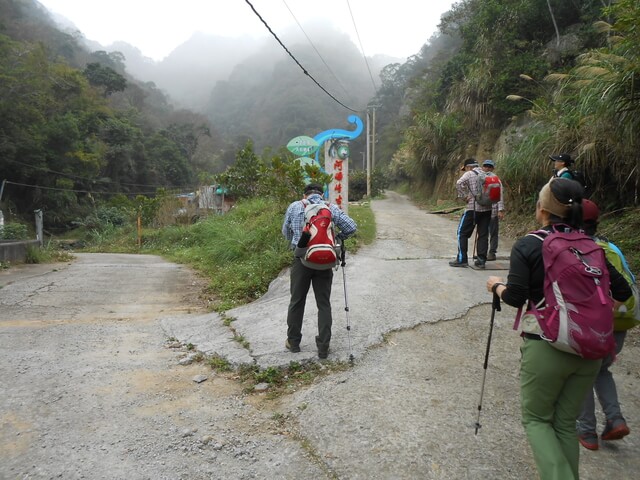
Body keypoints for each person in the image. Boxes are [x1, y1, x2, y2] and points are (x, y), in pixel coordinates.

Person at [486, 178, 631, 480]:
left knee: (537, 420)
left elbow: (515, 296)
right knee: (565, 424)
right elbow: (623, 291)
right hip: (590, 349)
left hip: (547, 344)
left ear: (542, 210)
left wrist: (496, 286)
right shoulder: (593, 246)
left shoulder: (529, 244)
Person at [576, 199, 632, 450]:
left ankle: (586, 431)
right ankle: (615, 418)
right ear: (597, 223)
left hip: (596, 324)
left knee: (582, 373)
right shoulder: (612, 248)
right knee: (602, 370)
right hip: (621, 321)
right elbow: (626, 285)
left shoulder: (580, 249)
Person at [282, 183, 357, 359]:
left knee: (297, 301)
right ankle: (323, 347)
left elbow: (286, 232)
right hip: (324, 261)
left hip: (301, 260)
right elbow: (351, 227)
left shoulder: (295, 206)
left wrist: (297, 242)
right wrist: (336, 238)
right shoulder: (330, 208)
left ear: (304, 194)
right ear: (321, 195)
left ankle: (293, 342)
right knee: (323, 304)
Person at [449, 158, 492, 268]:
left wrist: (464, 196)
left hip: (472, 209)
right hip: (487, 209)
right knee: (483, 235)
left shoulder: (469, 174)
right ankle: (481, 261)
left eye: (466, 168)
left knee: (462, 233)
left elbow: (459, 183)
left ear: (468, 167)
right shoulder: (486, 173)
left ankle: (462, 259)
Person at [481, 159, 505, 261]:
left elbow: (500, 195)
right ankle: (482, 252)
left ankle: (492, 252)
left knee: (493, 232)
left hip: (493, 210)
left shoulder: (496, 180)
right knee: (482, 232)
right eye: (485, 166)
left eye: (489, 167)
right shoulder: (480, 178)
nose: (487, 168)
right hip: (482, 210)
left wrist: (500, 209)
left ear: (492, 168)